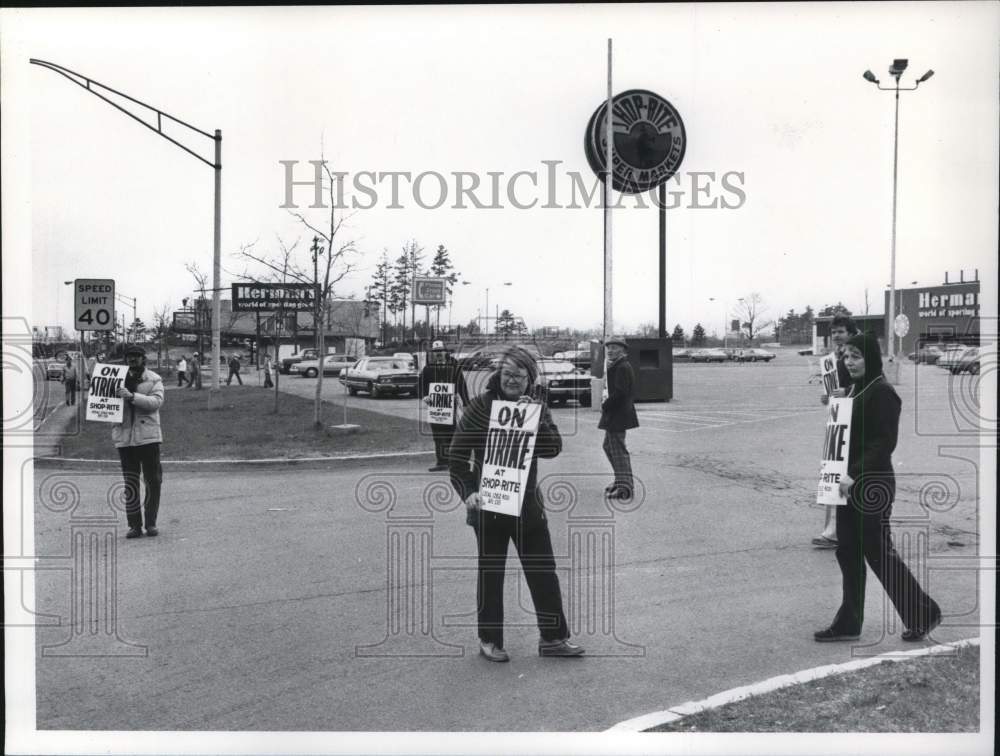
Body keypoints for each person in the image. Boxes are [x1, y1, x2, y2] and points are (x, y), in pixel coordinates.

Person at [448, 346, 584, 662]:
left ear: (529, 380)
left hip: (527, 507)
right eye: (508, 374)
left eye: (520, 377)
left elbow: (554, 449)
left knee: (543, 573)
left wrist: (534, 420)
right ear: (498, 373)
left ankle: (553, 638)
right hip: (488, 506)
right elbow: (456, 459)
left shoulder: (536, 408)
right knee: (491, 575)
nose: (512, 381)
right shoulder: (480, 408)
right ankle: (490, 640)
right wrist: (468, 491)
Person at [814, 331, 942, 642]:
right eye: (846, 356)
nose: (849, 361)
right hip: (848, 485)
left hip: (872, 484)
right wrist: (835, 403)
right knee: (847, 551)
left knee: (877, 552)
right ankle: (849, 622)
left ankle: (924, 612)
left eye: (856, 356)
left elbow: (883, 444)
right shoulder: (856, 389)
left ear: (870, 358)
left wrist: (853, 473)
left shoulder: (883, 392)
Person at [812, 315, 859, 549]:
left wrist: (847, 391)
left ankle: (842, 530)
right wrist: (828, 397)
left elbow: (868, 382)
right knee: (832, 471)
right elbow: (834, 390)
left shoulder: (857, 354)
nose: (837, 336)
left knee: (845, 472)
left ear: (851, 332)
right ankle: (832, 530)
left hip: (855, 419)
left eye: (841, 331)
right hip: (838, 419)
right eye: (834, 332)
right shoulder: (834, 357)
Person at [113, 345, 165, 539]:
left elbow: (156, 403)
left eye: (136, 356)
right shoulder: (115, 378)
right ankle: (134, 526)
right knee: (130, 484)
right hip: (125, 439)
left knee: (153, 481)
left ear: (144, 359)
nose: (132, 360)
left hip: (148, 438)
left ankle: (151, 523)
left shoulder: (154, 379)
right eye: (129, 357)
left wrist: (132, 396)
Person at [598, 336, 639, 500]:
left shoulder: (622, 366)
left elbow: (620, 393)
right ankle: (621, 480)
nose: (610, 350)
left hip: (617, 414)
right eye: (608, 348)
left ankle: (625, 488)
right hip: (615, 414)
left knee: (618, 451)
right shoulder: (617, 365)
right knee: (609, 447)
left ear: (622, 351)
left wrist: (605, 404)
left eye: (614, 348)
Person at [420, 340, 469, 472]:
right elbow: (421, 385)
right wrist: (424, 396)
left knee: (452, 434)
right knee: (438, 434)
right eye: (436, 352)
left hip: (451, 406)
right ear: (433, 354)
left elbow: (461, 384)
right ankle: (441, 461)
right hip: (435, 408)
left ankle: (454, 461)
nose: (439, 354)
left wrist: (465, 402)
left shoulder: (454, 367)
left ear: (446, 352)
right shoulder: (428, 369)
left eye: (441, 351)